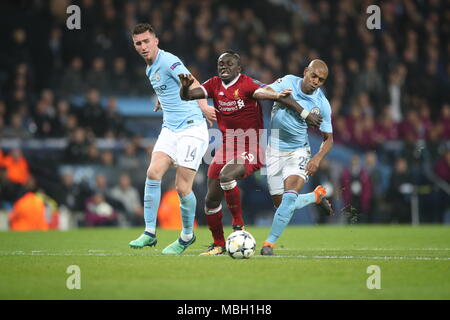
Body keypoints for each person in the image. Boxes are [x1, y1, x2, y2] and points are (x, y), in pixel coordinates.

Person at [179, 51, 323, 255]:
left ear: (239, 69)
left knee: (227, 176)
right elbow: (187, 97)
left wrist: (302, 112)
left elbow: (265, 93)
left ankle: (239, 227)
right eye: (221, 64)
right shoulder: (213, 85)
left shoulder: (247, 84)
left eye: (229, 64)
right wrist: (185, 87)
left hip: (251, 146)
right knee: (211, 199)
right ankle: (218, 244)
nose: (224, 67)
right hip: (226, 147)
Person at [128, 23, 215, 255]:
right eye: (139, 43)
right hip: (170, 128)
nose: (143, 46)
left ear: (156, 41)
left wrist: (205, 107)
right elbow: (169, 87)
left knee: (182, 186)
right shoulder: (149, 69)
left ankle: (187, 235)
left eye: (147, 41)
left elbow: (191, 81)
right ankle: (149, 233)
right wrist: (162, 100)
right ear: (134, 46)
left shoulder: (168, 60)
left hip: (191, 129)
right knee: (153, 172)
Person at [261, 59, 334, 256]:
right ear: (305, 72)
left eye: (321, 80)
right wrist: (278, 95)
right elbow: (260, 92)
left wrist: (317, 158)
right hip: (274, 149)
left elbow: (329, 138)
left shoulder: (322, 105)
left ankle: (269, 244)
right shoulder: (287, 83)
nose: (316, 81)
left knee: (289, 197)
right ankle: (315, 197)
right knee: (281, 205)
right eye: (314, 76)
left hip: (298, 151)